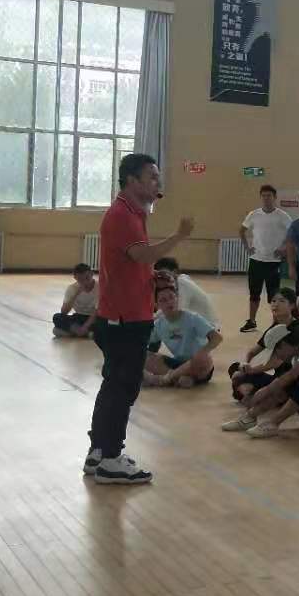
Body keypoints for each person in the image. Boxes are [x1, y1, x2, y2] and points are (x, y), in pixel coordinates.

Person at [85, 153, 193, 485]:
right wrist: (179, 235)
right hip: (124, 320)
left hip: (123, 316)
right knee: (122, 388)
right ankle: (111, 459)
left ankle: (99, 452)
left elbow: (135, 262)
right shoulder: (122, 215)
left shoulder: (133, 213)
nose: (158, 182)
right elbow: (142, 254)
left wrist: (150, 275)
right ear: (131, 180)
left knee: (113, 385)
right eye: (152, 177)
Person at [227, 288, 299, 403]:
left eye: (281, 301)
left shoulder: (297, 329)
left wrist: (250, 371)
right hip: (276, 377)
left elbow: (275, 362)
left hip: (291, 378)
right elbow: (252, 352)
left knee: (246, 384)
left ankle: (260, 395)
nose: (276, 304)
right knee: (235, 369)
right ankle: (253, 393)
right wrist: (245, 365)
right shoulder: (275, 328)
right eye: (273, 301)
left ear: (292, 306)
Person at [144, 281, 221, 387]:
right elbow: (141, 344)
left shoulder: (192, 318)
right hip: (178, 363)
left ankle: (167, 379)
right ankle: (180, 378)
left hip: (197, 364)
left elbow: (217, 338)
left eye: (171, 297)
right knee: (144, 356)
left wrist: (203, 352)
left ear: (177, 298)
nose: (169, 302)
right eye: (163, 300)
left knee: (205, 359)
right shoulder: (158, 324)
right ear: (157, 305)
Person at [239, 184, 291, 333]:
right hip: (256, 260)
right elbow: (242, 230)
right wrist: (247, 247)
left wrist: (284, 248)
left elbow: (293, 234)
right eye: (264, 196)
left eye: (269, 196)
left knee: (274, 296)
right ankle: (251, 321)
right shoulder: (254, 214)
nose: (266, 198)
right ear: (260, 197)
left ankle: (275, 323)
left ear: (275, 198)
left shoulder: (283, 216)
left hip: (274, 262)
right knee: (254, 294)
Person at [152, 257, 219, 329]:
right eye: (159, 276)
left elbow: (179, 313)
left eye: (165, 274)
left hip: (209, 329)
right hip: (198, 326)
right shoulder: (176, 282)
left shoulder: (183, 284)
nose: (163, 278)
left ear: (174, 272)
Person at [53, 263, 98, 338]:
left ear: (92, 274)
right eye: (80, 280)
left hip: (94, 318)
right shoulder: (72, 288)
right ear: (75, 278)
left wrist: (85, 326)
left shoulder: (99, 287)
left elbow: (97, 311)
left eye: (87, 278)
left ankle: (75, 332)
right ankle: (86, 333)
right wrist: (76, 294)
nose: (85, 282)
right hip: (78, 316)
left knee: (105, 323)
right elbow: (64, 312)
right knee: (57, 317)